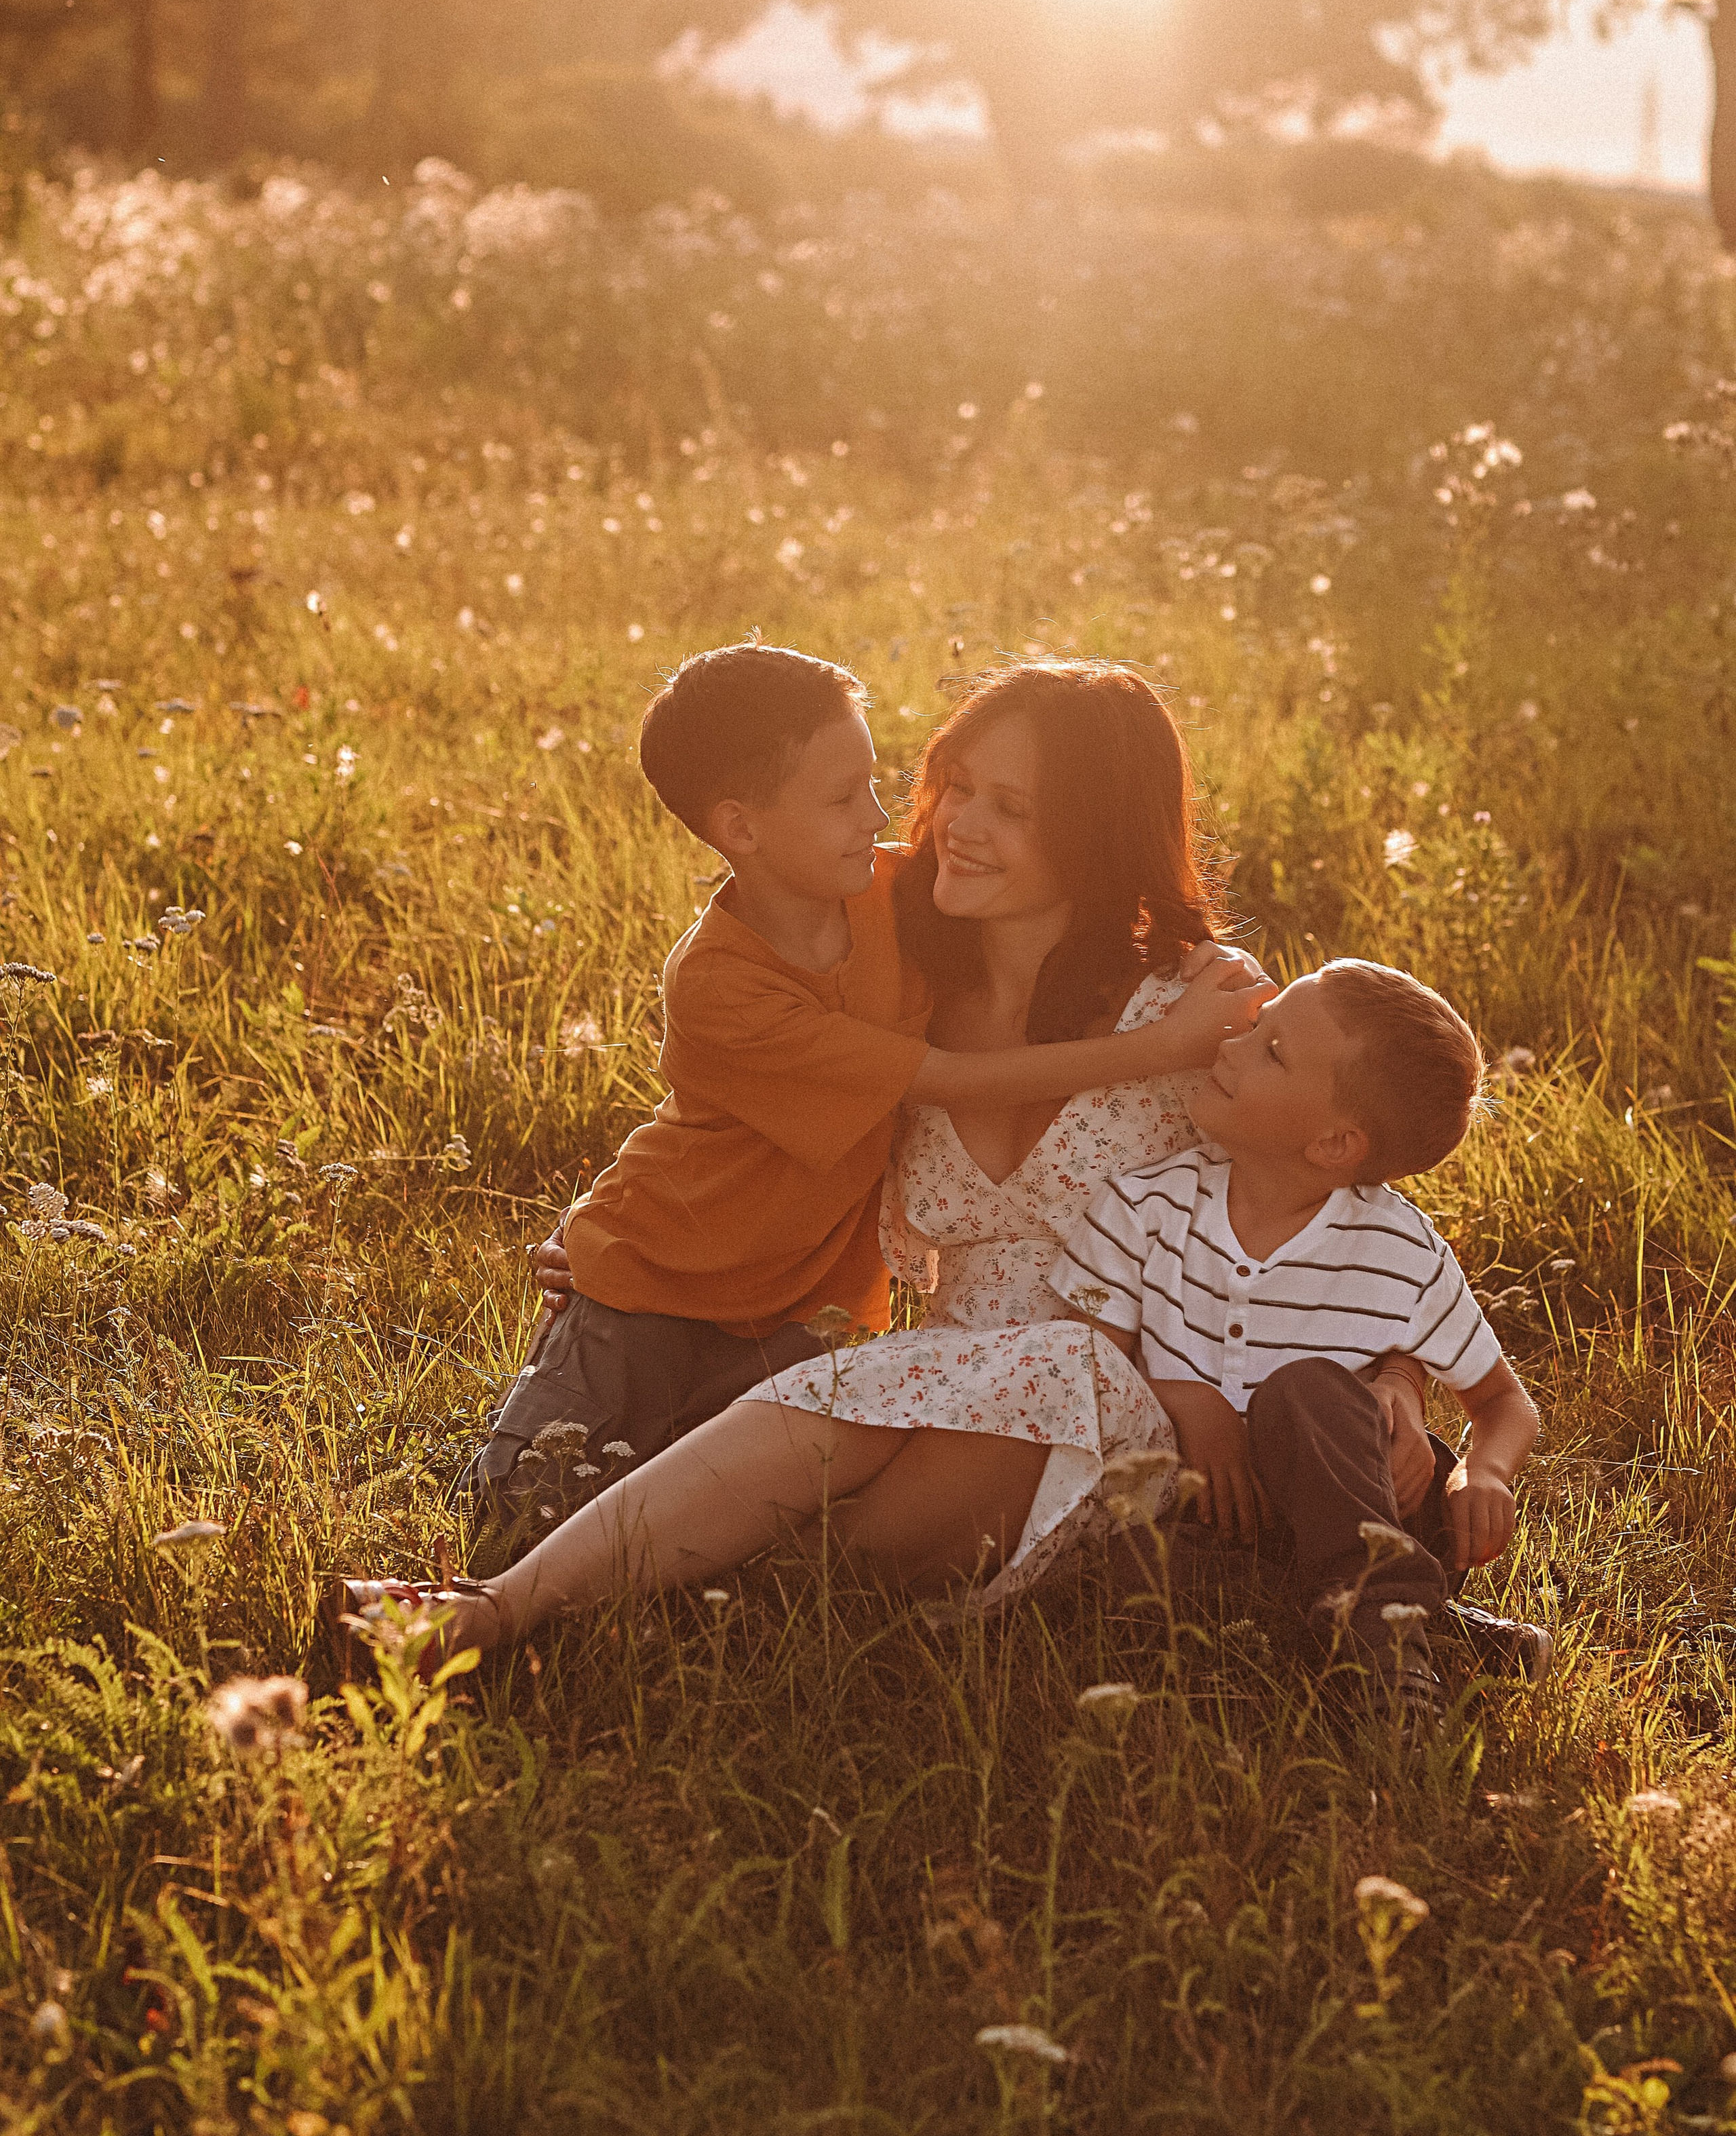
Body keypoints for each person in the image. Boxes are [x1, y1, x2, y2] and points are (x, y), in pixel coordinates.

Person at [340, 659, 1322, 1658]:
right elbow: (736, 1107)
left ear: (1098, 831)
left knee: (1061, 1363)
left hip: (1132, 1403)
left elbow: (1322, 1212)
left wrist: (1380, 1398)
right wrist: (610, 1225)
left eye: (1011, 808)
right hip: (929, 1392)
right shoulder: (899, 968)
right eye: (958, 787)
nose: (956, 826)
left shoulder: (1198, 1013)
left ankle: (712, 1591)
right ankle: (500, 1609)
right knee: (810, 1411)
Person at [1054, 957, 1547, 1725]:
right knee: (1117, 1572)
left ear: (1332, 1143)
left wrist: (1482, 1476)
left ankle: (1386, 1628)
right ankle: (1423, 1629)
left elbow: (1502, 1403)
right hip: (1217, 1522)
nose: (1233, 1044)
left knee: (1306, 1391)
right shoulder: (1142, 1207)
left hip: (1370, 1508)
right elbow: (1081, 1361)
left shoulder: (1400, 1249)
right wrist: (1189, 1401)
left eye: (1272, 1049)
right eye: (1258, 1025)